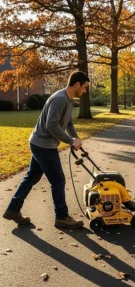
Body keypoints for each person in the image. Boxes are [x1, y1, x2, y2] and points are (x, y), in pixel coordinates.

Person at [3, 71, 90, 229]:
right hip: (43, 145)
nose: (85, 91)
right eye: (84, 87)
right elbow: (52, 125)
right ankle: (62, 217)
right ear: (77, 84)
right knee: (58, 181)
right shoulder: (59, 99)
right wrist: (70, 141)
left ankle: (12, 210)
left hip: (40, 143)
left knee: (31, 177)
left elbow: (68, 123)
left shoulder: (68, 100)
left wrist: (77, 141)